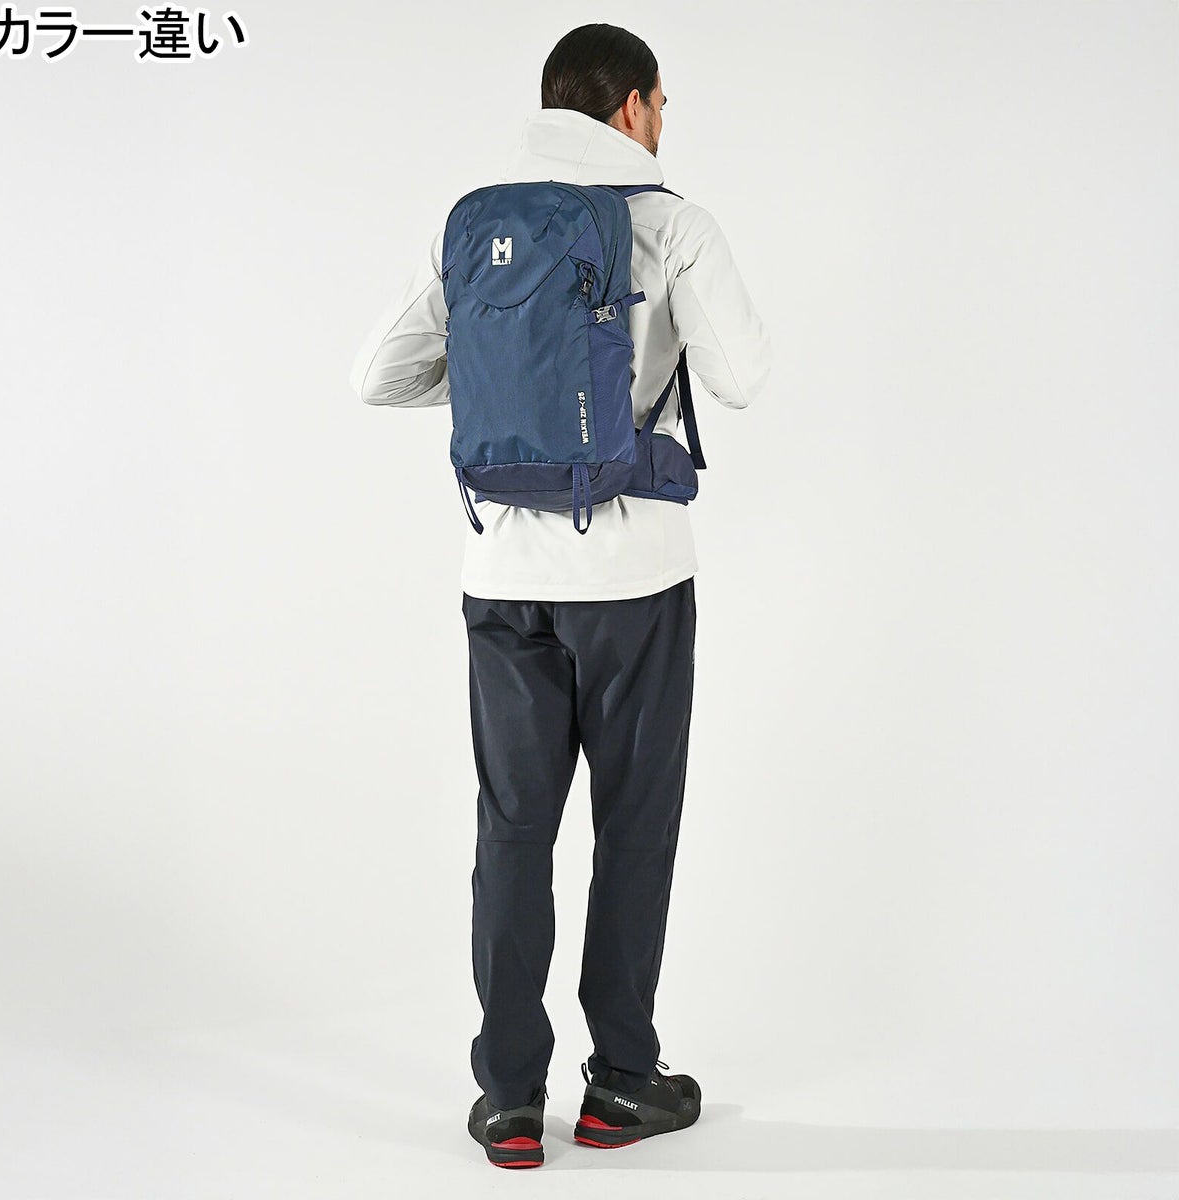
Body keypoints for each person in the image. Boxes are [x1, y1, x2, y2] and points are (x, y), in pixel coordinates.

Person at [348, 22, 772, 1169]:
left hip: (500, 579)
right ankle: (621, 1084)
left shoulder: (474, 219)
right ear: (631, 106)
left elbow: (376, 375)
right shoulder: (673, 224)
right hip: (637, 582)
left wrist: (508, 391)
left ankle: (505, 1097)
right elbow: (741, 378)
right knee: (632, 828)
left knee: (512, 831)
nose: (663, 122)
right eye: (661, 103)